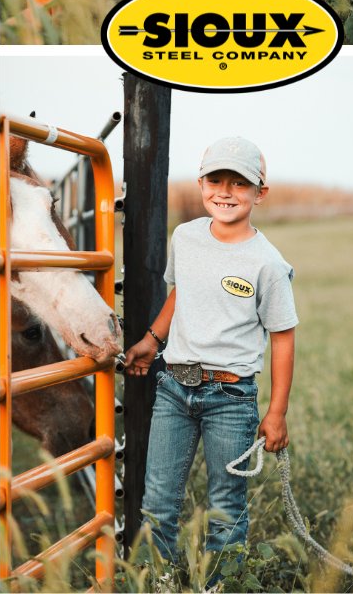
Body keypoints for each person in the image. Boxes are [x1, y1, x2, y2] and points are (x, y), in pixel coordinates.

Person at [123, 137, 298, 589]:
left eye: (239, 183)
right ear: (201, 184)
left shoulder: (268, 265)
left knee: (225, 506)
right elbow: (181, 294)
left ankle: (220, 584)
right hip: (173, 389)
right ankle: (158, 582)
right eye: (215, 180)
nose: (225, 191)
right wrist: (151, 340)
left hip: (231, 398)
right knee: (158, 501)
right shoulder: (185, 238)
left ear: (260, 192)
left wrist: (276, 412)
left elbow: (283, 337)